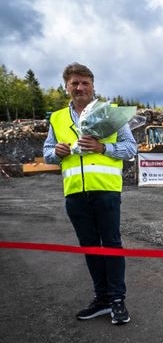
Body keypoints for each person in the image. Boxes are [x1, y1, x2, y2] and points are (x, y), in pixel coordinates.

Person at [43, 63, 137, 325]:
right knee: (91, 248)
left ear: (93, 85)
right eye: (74, 83)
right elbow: (48, 152)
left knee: (112, 246)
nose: (80, 87)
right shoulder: (57, 118)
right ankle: (102, 299)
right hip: (75, 194)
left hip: (106, 191)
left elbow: (131, 148)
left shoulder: (110, 113)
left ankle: (118, 300)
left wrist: (102, 147)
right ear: (67, 87)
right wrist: (57, 153)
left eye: (85, 82)